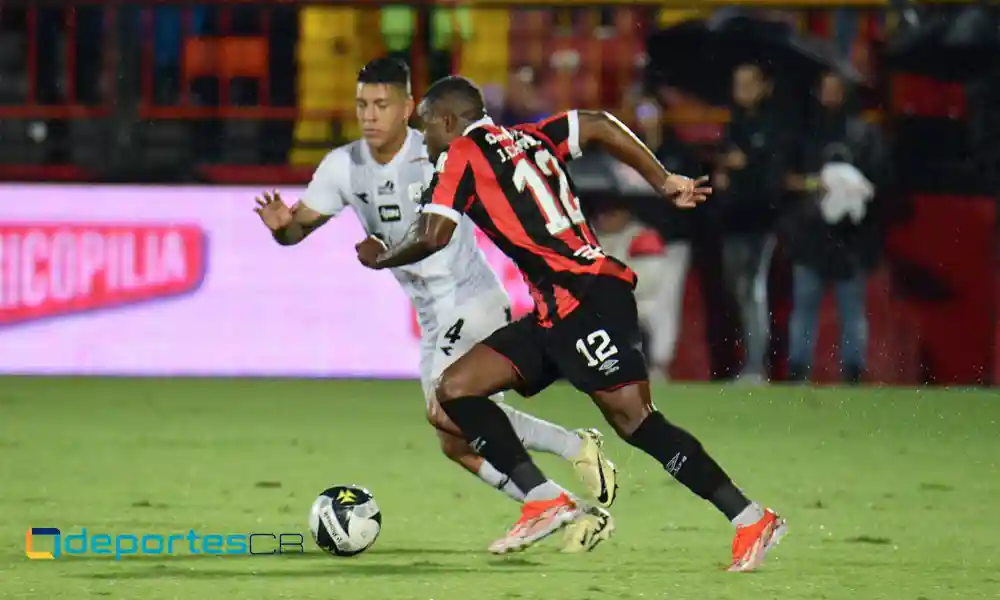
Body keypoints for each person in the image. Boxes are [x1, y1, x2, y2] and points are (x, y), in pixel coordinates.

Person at [356, 75, 786, 570]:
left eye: (426, 127)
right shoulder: (533, 137)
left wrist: (383, 257)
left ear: (450, 121)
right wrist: (663, 178)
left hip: (584, 299)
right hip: (553, 309)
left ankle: (750, 518)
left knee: (636, 421)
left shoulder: (461, 154)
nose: (424, 139)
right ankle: (543, 499)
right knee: (453, 390)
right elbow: (599, 124)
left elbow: (433, 234)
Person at [253, 57, 617, 552]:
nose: (370, 115)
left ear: (409, 108)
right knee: (453, 439)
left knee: (445, 406)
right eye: (362, 104)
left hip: (471, 296)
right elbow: (299, 226)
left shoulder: (444, 151)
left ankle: (559, 474)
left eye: (382, 104)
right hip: (432, 315)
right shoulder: (343, 166)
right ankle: (570, 507)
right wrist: (283, 229)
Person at [785, 71, 885, 383]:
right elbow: (785, 177)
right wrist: (819, 183)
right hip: (810, 234)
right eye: (825, 89)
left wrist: (852, 189)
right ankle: (798, 369)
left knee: (852, 309)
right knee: (804, 307)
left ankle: (853, 371)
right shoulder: (805, 133)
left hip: (850, 238)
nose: (830, 96)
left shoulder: (864, 133)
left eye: (835, 89)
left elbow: (879, 181)